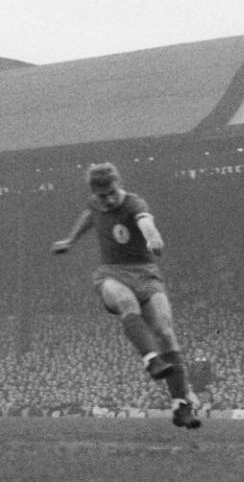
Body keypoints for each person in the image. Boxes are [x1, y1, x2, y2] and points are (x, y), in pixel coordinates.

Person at [51, 162, 201, 429]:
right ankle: (151, 360)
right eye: (101, 196)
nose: (107, 200)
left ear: (118, 184)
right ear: (95, 193)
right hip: (112, 273)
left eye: (111, 193)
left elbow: (146, 222)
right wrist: (70, 240)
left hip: (145, 273)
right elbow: (89, 216)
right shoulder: (95, 203)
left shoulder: (134, 203)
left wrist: (153, 238)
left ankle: (182, 406)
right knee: (126, 303)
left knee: (166, 331)